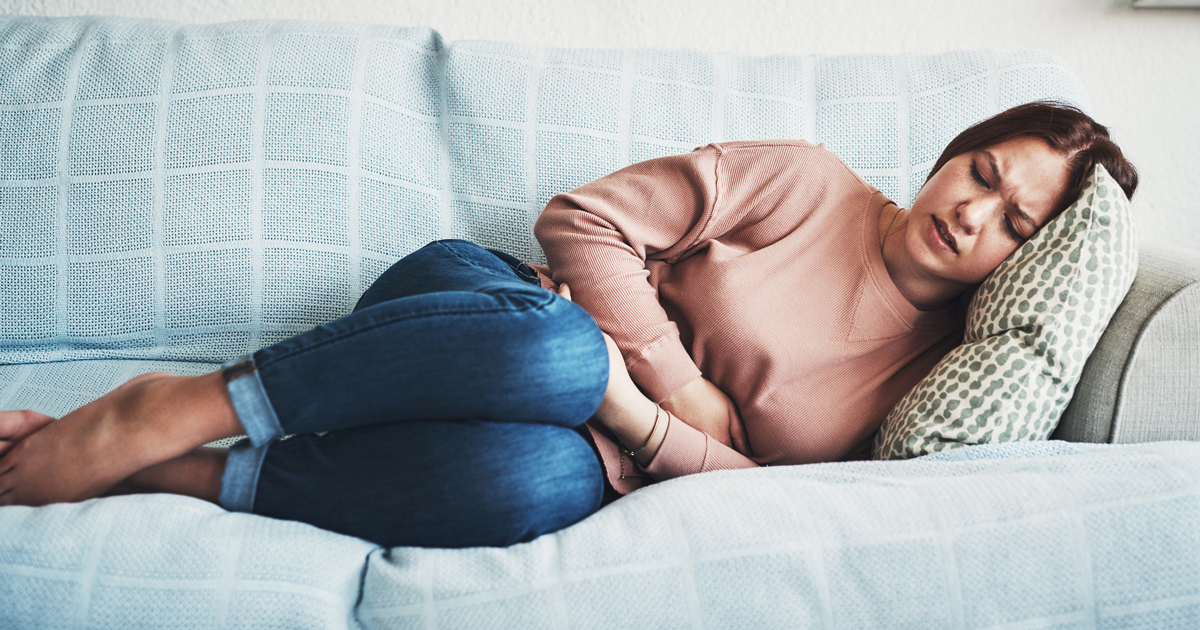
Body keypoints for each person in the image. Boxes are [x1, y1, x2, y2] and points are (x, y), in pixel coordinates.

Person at [0, 101, 1138, 548]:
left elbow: (761, 489)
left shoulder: (932, 383)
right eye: (979, 171)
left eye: (1013, 220)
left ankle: (176, 478)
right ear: (950, 151)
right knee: (552, 346)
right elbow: (584, 223)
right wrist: (677, 395)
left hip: (587, 447)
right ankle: (172, 407)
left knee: (530, 492)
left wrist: (631, 415)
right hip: (478, 312)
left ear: (1025, 258)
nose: (973, 211)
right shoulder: (806, 181)